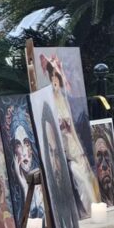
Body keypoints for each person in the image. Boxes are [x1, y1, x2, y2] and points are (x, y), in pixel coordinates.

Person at [40, 55, 100, 217]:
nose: (55, 81)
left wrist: (81, 149)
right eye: (52, 78)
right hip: (60, 145)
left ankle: (91, 208)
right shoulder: (49, 102)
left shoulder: (64, 100)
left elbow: (72, 126)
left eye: (57, 78)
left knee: (84, 174)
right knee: (76, 175)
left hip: (71, 143)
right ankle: (82, 210)